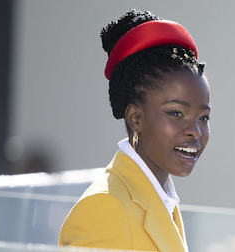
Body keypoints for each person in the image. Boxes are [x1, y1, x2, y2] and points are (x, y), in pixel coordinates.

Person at [59, 9, 210, 252]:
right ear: (135, 117)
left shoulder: (161, 201)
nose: (195, 131)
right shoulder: (104, 207)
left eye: (203, 117)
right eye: (176, 113)